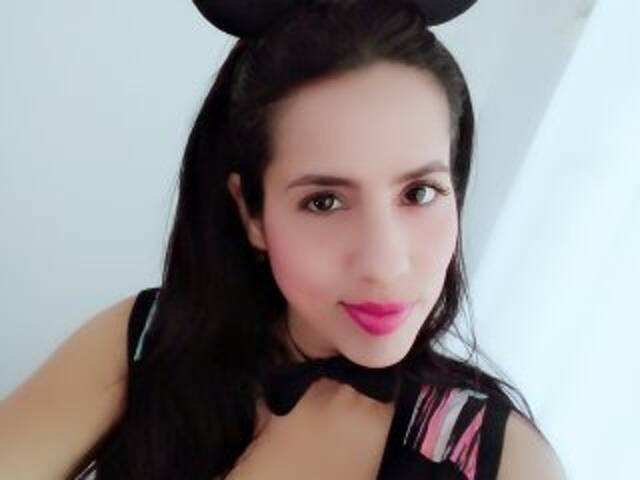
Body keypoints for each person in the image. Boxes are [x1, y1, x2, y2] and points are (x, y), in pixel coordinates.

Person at [0, 0, 567, 478]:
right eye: (324, 201)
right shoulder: (148, 342)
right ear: (251, 213)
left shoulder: (497, 458)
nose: (384, 262)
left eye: (419, 193)